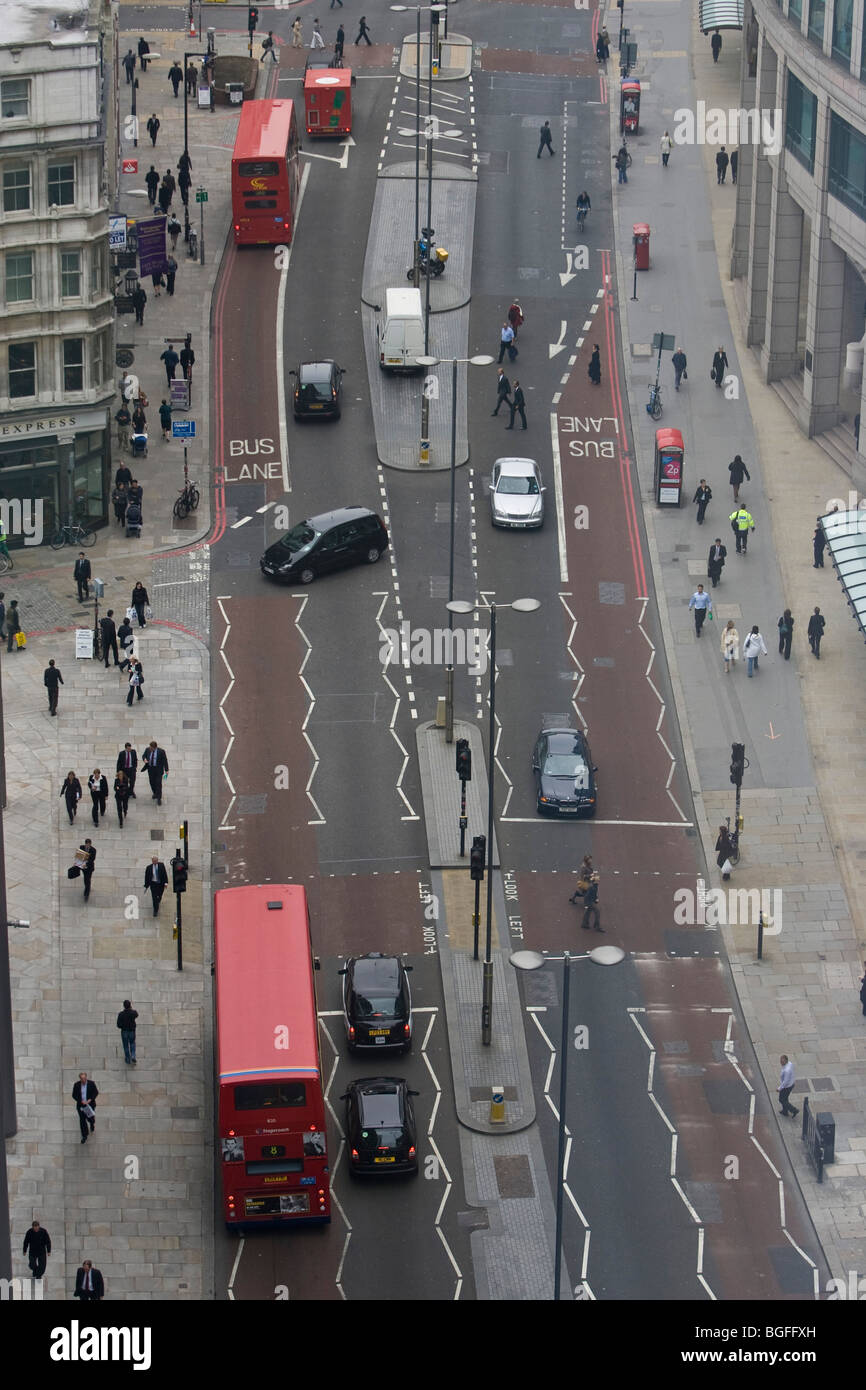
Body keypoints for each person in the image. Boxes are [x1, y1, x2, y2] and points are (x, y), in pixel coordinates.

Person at [72, 1072, 98, 1142]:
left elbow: (96, 1092)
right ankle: (84, 1135)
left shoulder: (91, 1083)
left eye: (84, 1078)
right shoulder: (76, 1085)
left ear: (86, 1077)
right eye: (82, 1079)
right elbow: (74, 1095)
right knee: (82, 1120)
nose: (83, 1080)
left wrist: (90, 1100)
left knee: (90, 1118)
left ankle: (92, 1124)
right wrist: (80, 1101)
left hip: (90, 1104)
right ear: (80, 1079)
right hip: (81, 1105)